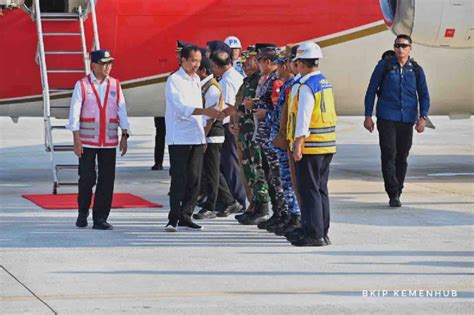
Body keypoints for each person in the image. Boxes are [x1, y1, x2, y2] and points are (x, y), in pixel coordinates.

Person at [364, 34, 430, 207]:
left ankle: (398, 189)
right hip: (387, 117)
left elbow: (423, 94)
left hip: (407, 118)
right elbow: (371, 90)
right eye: (397, 46)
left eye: (404, 46)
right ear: (394, 48)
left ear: (410, 49)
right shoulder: (384, 66)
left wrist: (423, 117)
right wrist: (368, 116)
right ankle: (392, 192)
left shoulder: (416, 69)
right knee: (389, 154)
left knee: (402, 155)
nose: (400, 49)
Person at [164, 45, 225, 232]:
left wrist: (203, 134)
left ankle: (186, 215)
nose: (195, 65)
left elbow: (200, 112)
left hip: (196, 136)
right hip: (179, 137)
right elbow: (181, 108)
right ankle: (173, 218)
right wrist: (205, 111)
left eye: (198, 61)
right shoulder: (174, 80)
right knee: (179, 179)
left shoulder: (196, 80)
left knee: (195, 179)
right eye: (192, 61)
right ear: (182, 60)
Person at [68, 49, 129, 230]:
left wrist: (124, 135)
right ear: (93, 65)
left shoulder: (115, 85)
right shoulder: (82, 85)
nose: (108, 67)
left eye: (110, 63)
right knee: (87, 178)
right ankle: (82, 212)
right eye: (104, 63)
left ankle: (100, 217)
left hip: (109, 142)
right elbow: (75, 113)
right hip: (87, 141)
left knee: (106, 180)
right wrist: (76, 139)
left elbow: (122, 111)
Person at [287, 41, 336, 246]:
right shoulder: (323, 82)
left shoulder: (306, 86)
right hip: (326, 144)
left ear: (301, 63)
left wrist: (298, 142)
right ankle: (321, 231)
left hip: (311, 144)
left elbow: (304, 117)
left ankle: (313, 234)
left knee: (309, 190)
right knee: (320, 189)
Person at [194, 56, 243, 219]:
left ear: (204, 71)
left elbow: (211, 117)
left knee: (213, 172)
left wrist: (203, 136)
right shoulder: (206, 86)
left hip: (212, 135)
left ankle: (213, 206)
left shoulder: (212, 89)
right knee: (212, 171)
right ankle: (228, 201)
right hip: (210, 134)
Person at [211, 50, 247, 210]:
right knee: (232, 162)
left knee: (230, 163)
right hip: (234, 123)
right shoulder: (236, 76)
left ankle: (237, 197)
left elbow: (230, 107)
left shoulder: (226, 81)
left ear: (217, 66)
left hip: (228, 125)